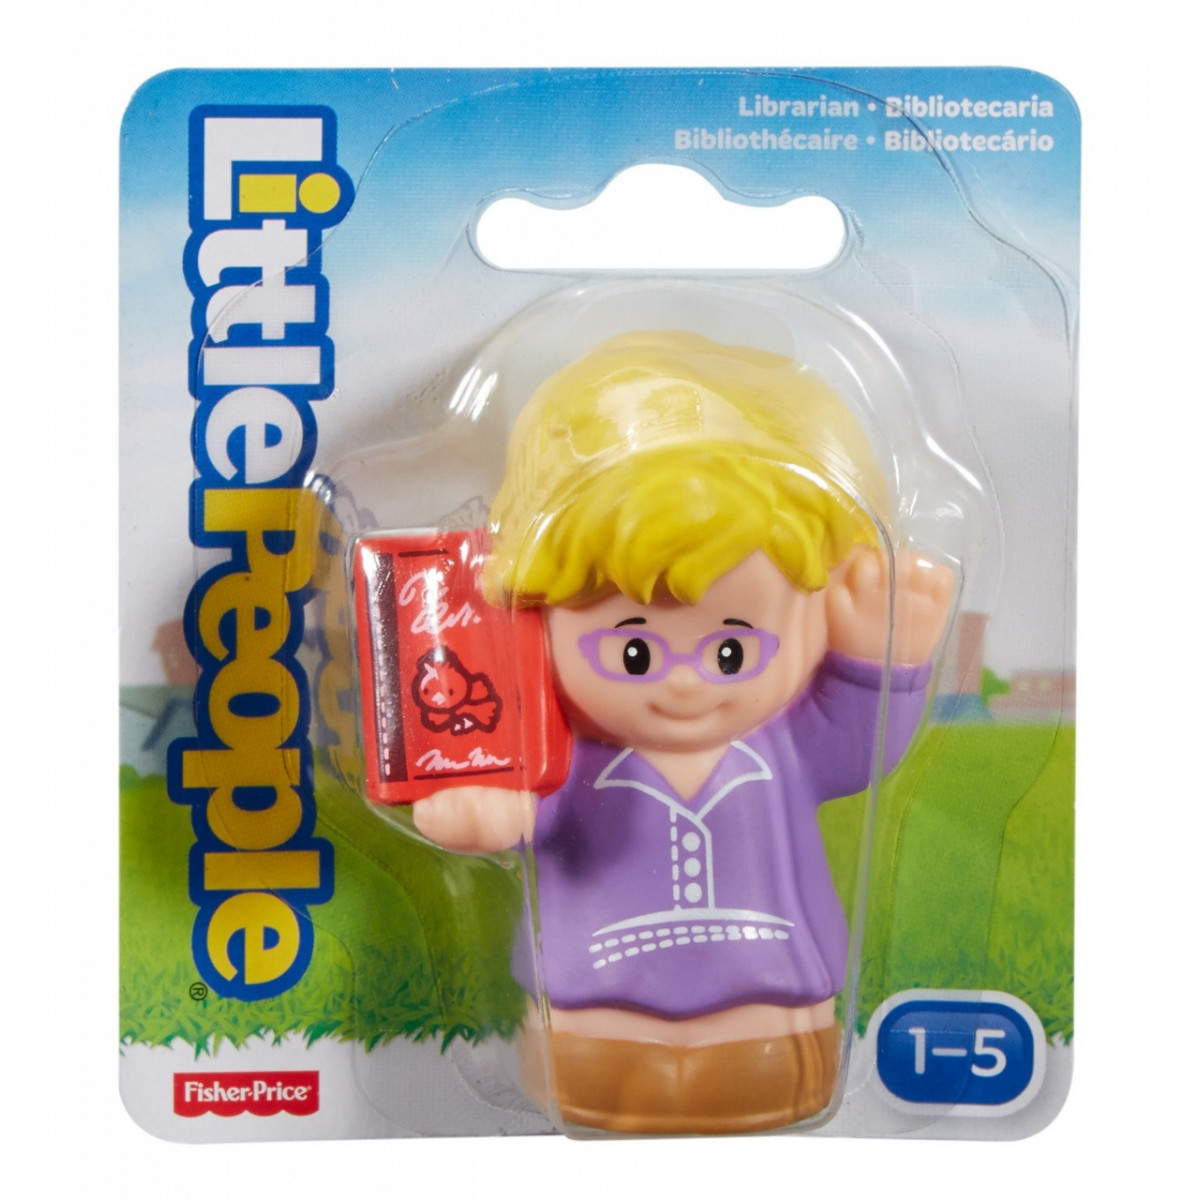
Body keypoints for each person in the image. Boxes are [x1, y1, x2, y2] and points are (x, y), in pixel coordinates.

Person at [413, 331, 954, 1133]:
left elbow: (857, 746)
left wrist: (880, 655)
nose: (685, 680)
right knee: (595, 1077)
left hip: (773, 1001)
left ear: (817, 617)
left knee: (766, 1073)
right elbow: (530, 812)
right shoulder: (572, 759)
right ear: (536, 619)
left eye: (732, 651)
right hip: (596, 1007)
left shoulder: (786, 746)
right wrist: (486, 810)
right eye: (633, 652)